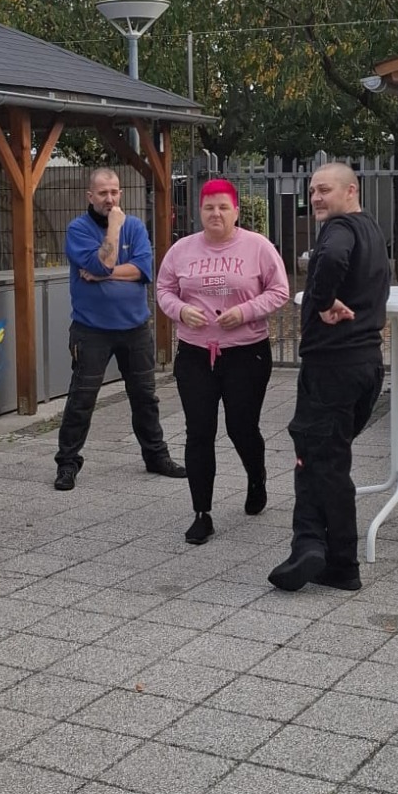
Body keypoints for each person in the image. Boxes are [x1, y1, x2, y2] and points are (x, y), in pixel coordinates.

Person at [269, 163, 390, 594]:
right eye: (312, 191)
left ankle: (341, 562)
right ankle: (308, 545)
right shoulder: (370, 229)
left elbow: (334, 257)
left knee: (326, 462)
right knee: (318, 455)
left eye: (324, 189)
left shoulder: (339, 229)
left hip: (333, 368)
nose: (316, 198)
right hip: (364, 365)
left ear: (350, 190)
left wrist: (321, 301)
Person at [156, 179, 290, 544]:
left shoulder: (258, 247)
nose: (216, 214)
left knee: (241, 427)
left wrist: (246, 311)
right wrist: (180, 310)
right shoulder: (182, 250)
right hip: (195, 354)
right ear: (199, 212)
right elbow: (164, 289)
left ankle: (256, 477)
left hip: (246, 352)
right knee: (199, 431)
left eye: (223, 207)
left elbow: (279, 290)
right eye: (209, 207)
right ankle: (202, 513)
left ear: (236, 211)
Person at [54, 167, 187, 491]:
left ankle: (156, 457)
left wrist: (104, 273)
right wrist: (113, 230)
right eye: (103, 193)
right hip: (91, 330)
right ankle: (67, 464)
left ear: (121, 193)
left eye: (114, 192)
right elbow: (102, 262)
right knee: (82, 399)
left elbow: (143, 269)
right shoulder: (78, 229)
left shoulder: (136, 226)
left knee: (145, 397)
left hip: (135, 328)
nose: (110, 199)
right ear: (90, 196)